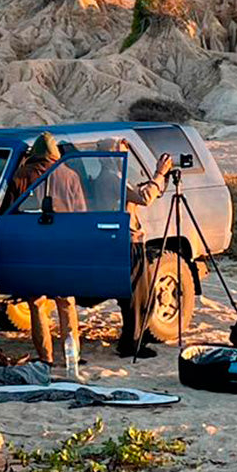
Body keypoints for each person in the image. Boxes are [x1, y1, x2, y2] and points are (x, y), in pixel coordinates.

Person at [4, 132, 85, 366]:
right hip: (64, 247)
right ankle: (73, 357)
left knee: (38, 304)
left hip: (32, 246)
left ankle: (46, 359)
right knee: (66, 304)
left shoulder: (21, 175)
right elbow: (82, 213)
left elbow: (8, 213)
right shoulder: (70, 175)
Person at [91, 138, 174, 358]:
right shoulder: (111, 179)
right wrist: (159, 173)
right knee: (135, 295)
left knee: (140, 293)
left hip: (124, 239)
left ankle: (137, 337)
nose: (124, 159)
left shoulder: (106, 177)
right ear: (112, 156)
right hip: (127, 241)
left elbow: (136, 193)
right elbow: (144, 198)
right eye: (121, 153)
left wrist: (154, 181)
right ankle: (131, 344)